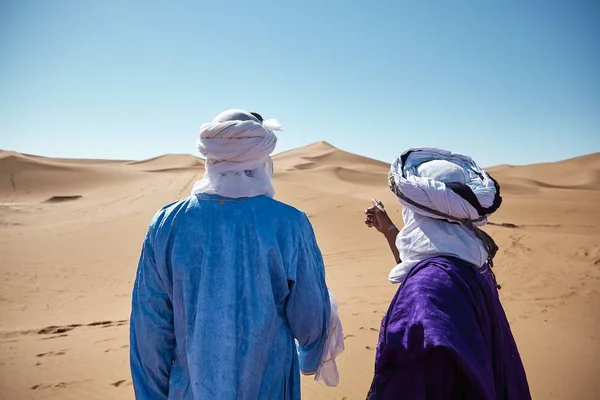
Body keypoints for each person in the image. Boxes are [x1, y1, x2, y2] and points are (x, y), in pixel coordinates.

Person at [129, 109, 343, 400]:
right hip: (266, 388)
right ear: (262, 160)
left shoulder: (168, 223)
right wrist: (310, 353)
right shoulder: (289, 223)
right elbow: (310, 320)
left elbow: (149, 331)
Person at [364, 148, 531, 399]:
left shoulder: (428, 289)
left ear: (416, 209)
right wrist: (388, 229)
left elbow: (412, 383)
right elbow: (428, 265)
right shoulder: (470, 261)